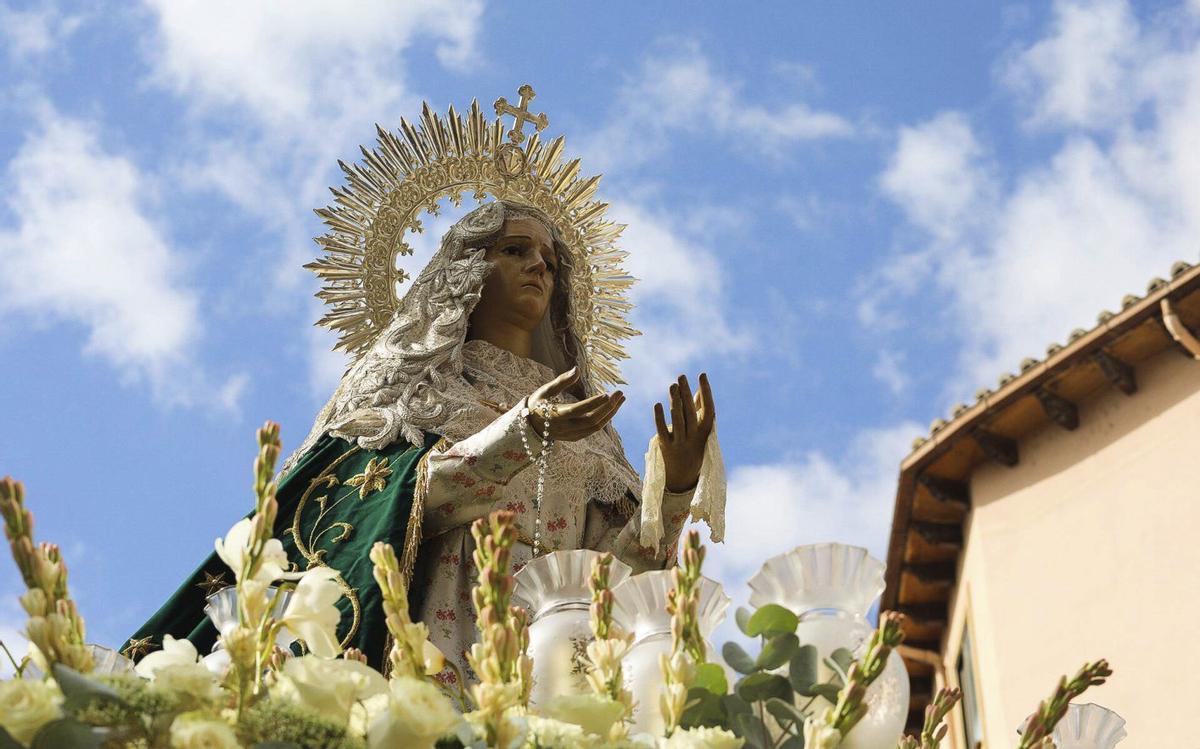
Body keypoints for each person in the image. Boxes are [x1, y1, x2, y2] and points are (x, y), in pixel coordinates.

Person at [123, 200, 721, 686]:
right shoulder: (416, 386)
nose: (539, 266)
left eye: (548, 259)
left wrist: (673, 490)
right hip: (437, 635)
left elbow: (614, 575)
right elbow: (379, 502)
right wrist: (522, 433)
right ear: (463, 270)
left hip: (554, 662)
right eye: (515, 250)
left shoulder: (584, 421)